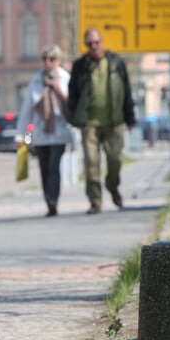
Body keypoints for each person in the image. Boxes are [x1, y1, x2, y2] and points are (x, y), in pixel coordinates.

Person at [67, 28, 136, 214]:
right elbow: (72, 93)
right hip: (89, 122)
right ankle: (95, 201)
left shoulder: (116, 63)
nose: (94, 46)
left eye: (96, 42)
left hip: (114, 120)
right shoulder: (80, 66)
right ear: (85, 45)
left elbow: (126, 90)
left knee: (115, 159)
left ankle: (112, 186)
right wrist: (74, 116)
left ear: (102, 42)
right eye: (90, 44)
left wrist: (130, 117)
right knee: (91, 162)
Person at [16, 44, 74, 217]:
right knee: (44, 169)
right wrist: (24, 139)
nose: (48, 62)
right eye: (45, 59)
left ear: (58, 61)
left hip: (59, 133)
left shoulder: (65, 80)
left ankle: (54, 199)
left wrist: (56, 87)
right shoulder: (36, 82)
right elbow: (27, 114)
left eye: (52, 59)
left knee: (54, 167)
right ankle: (48, 200)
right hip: (39, 134)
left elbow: (71, 106)